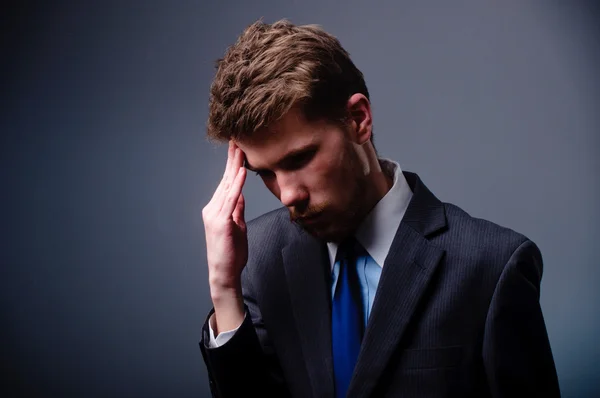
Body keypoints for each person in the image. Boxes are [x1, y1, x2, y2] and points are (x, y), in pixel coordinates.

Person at [199, 19, 561, 398]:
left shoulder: (492, 265)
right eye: (265, 174)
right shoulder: (257, 259)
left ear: (358, 120)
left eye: (299, 159)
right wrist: (225, 291)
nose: (288, 195)